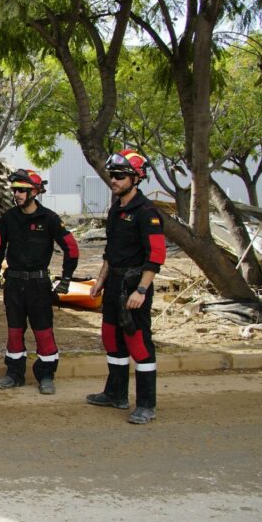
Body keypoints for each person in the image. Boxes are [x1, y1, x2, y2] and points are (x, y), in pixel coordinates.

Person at [87, 149, 166, 424]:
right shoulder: (116, 209)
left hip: (134, 286)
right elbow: (111, 251)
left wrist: (141, 291)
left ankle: (146, 404)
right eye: (112, 175)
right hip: (114, 285)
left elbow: (156, 257)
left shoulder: (147, 213)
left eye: (120, 176)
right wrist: (100, 281)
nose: (114, 180)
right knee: (111, 339)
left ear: (136, 177)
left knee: (139, 345)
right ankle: (115, 394)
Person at [0, 169, 79, 394]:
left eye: (22, 190)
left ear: (35, 192)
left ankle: (46, 375)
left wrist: (66, 278)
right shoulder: (9, 217)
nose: (17, 194)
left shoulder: (49, 218)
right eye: (15, 190)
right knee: (14, 331)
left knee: (43, 331)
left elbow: (72, 248)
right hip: (14, 284)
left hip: (39, 286)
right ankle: (14, 374)